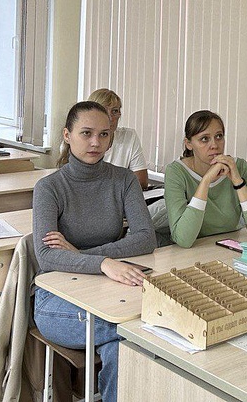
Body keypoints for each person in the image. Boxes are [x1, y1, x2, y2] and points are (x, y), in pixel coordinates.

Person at [33, 101, 155, 402]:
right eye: (86, 133)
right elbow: (46, 256)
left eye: (103, 134)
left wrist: (86, 255)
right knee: (136, 330)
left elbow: (146, 239)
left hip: (109, 289)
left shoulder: (124, 180)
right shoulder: (49, 187)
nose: (95, 142)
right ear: (67, 135)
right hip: (54, 298)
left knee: (123, 344)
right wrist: (102, 262)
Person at [165, 110, 247, 248]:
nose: (214, 145)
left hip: (227, 246)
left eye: (219, 136)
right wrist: (206, 181)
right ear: (189, 144)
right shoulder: (175, 172)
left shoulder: (240, 167)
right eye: (205, 139)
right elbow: (184, 239)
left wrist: (238, 182)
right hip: (195, 250)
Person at [87, 88, 149, 188]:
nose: (110, 118)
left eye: (115, 111)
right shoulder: (82, 139)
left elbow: (141, 181)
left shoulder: (129, 136)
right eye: (104, 111)